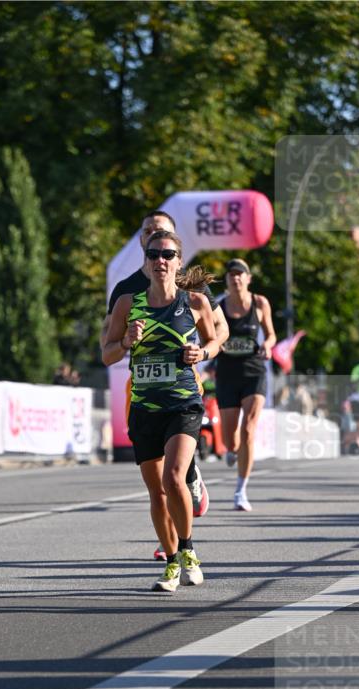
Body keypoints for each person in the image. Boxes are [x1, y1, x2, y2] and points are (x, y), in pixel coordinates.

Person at [102, 209, 228, 558]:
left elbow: (220, 331)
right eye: (148, 236)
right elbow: (106, 347)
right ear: (143, 244)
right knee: (159, 485)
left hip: (185, 392)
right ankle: (171, 542)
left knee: (173, 475)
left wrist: (203, 352)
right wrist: (125, 341)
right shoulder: (126, 292)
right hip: (143, 392)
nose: (158, 253)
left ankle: (182, 541)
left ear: (178, 253)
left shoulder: (194, 291)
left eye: (166, 246)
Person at [215, 259, 276, 511]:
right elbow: (210, 335)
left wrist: (268, 346)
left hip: (254, 372)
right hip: (227, 374)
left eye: (240, 274)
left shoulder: (260, 303)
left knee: (249, 430)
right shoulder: (218, 306)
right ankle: (233, 450)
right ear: (227, 280)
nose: (236, 278)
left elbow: (271, 334)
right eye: (231, 274)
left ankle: (241, 491)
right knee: (231, 440)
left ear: (248, 279)